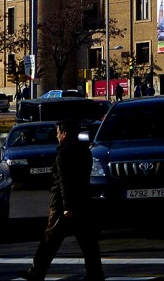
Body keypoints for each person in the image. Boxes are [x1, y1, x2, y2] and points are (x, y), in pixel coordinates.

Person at [24, 120, 104, 281]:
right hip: (83, 201)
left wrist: (67, 206)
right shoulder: (85, 151)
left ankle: (36, 272)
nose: (57, 136)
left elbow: (64, 181)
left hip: (62, 205)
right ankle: (95, 274)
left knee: (50, 240)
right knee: (88, 241)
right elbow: (84, 177)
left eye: (58, 133)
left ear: (64, 134)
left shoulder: (64, 154)